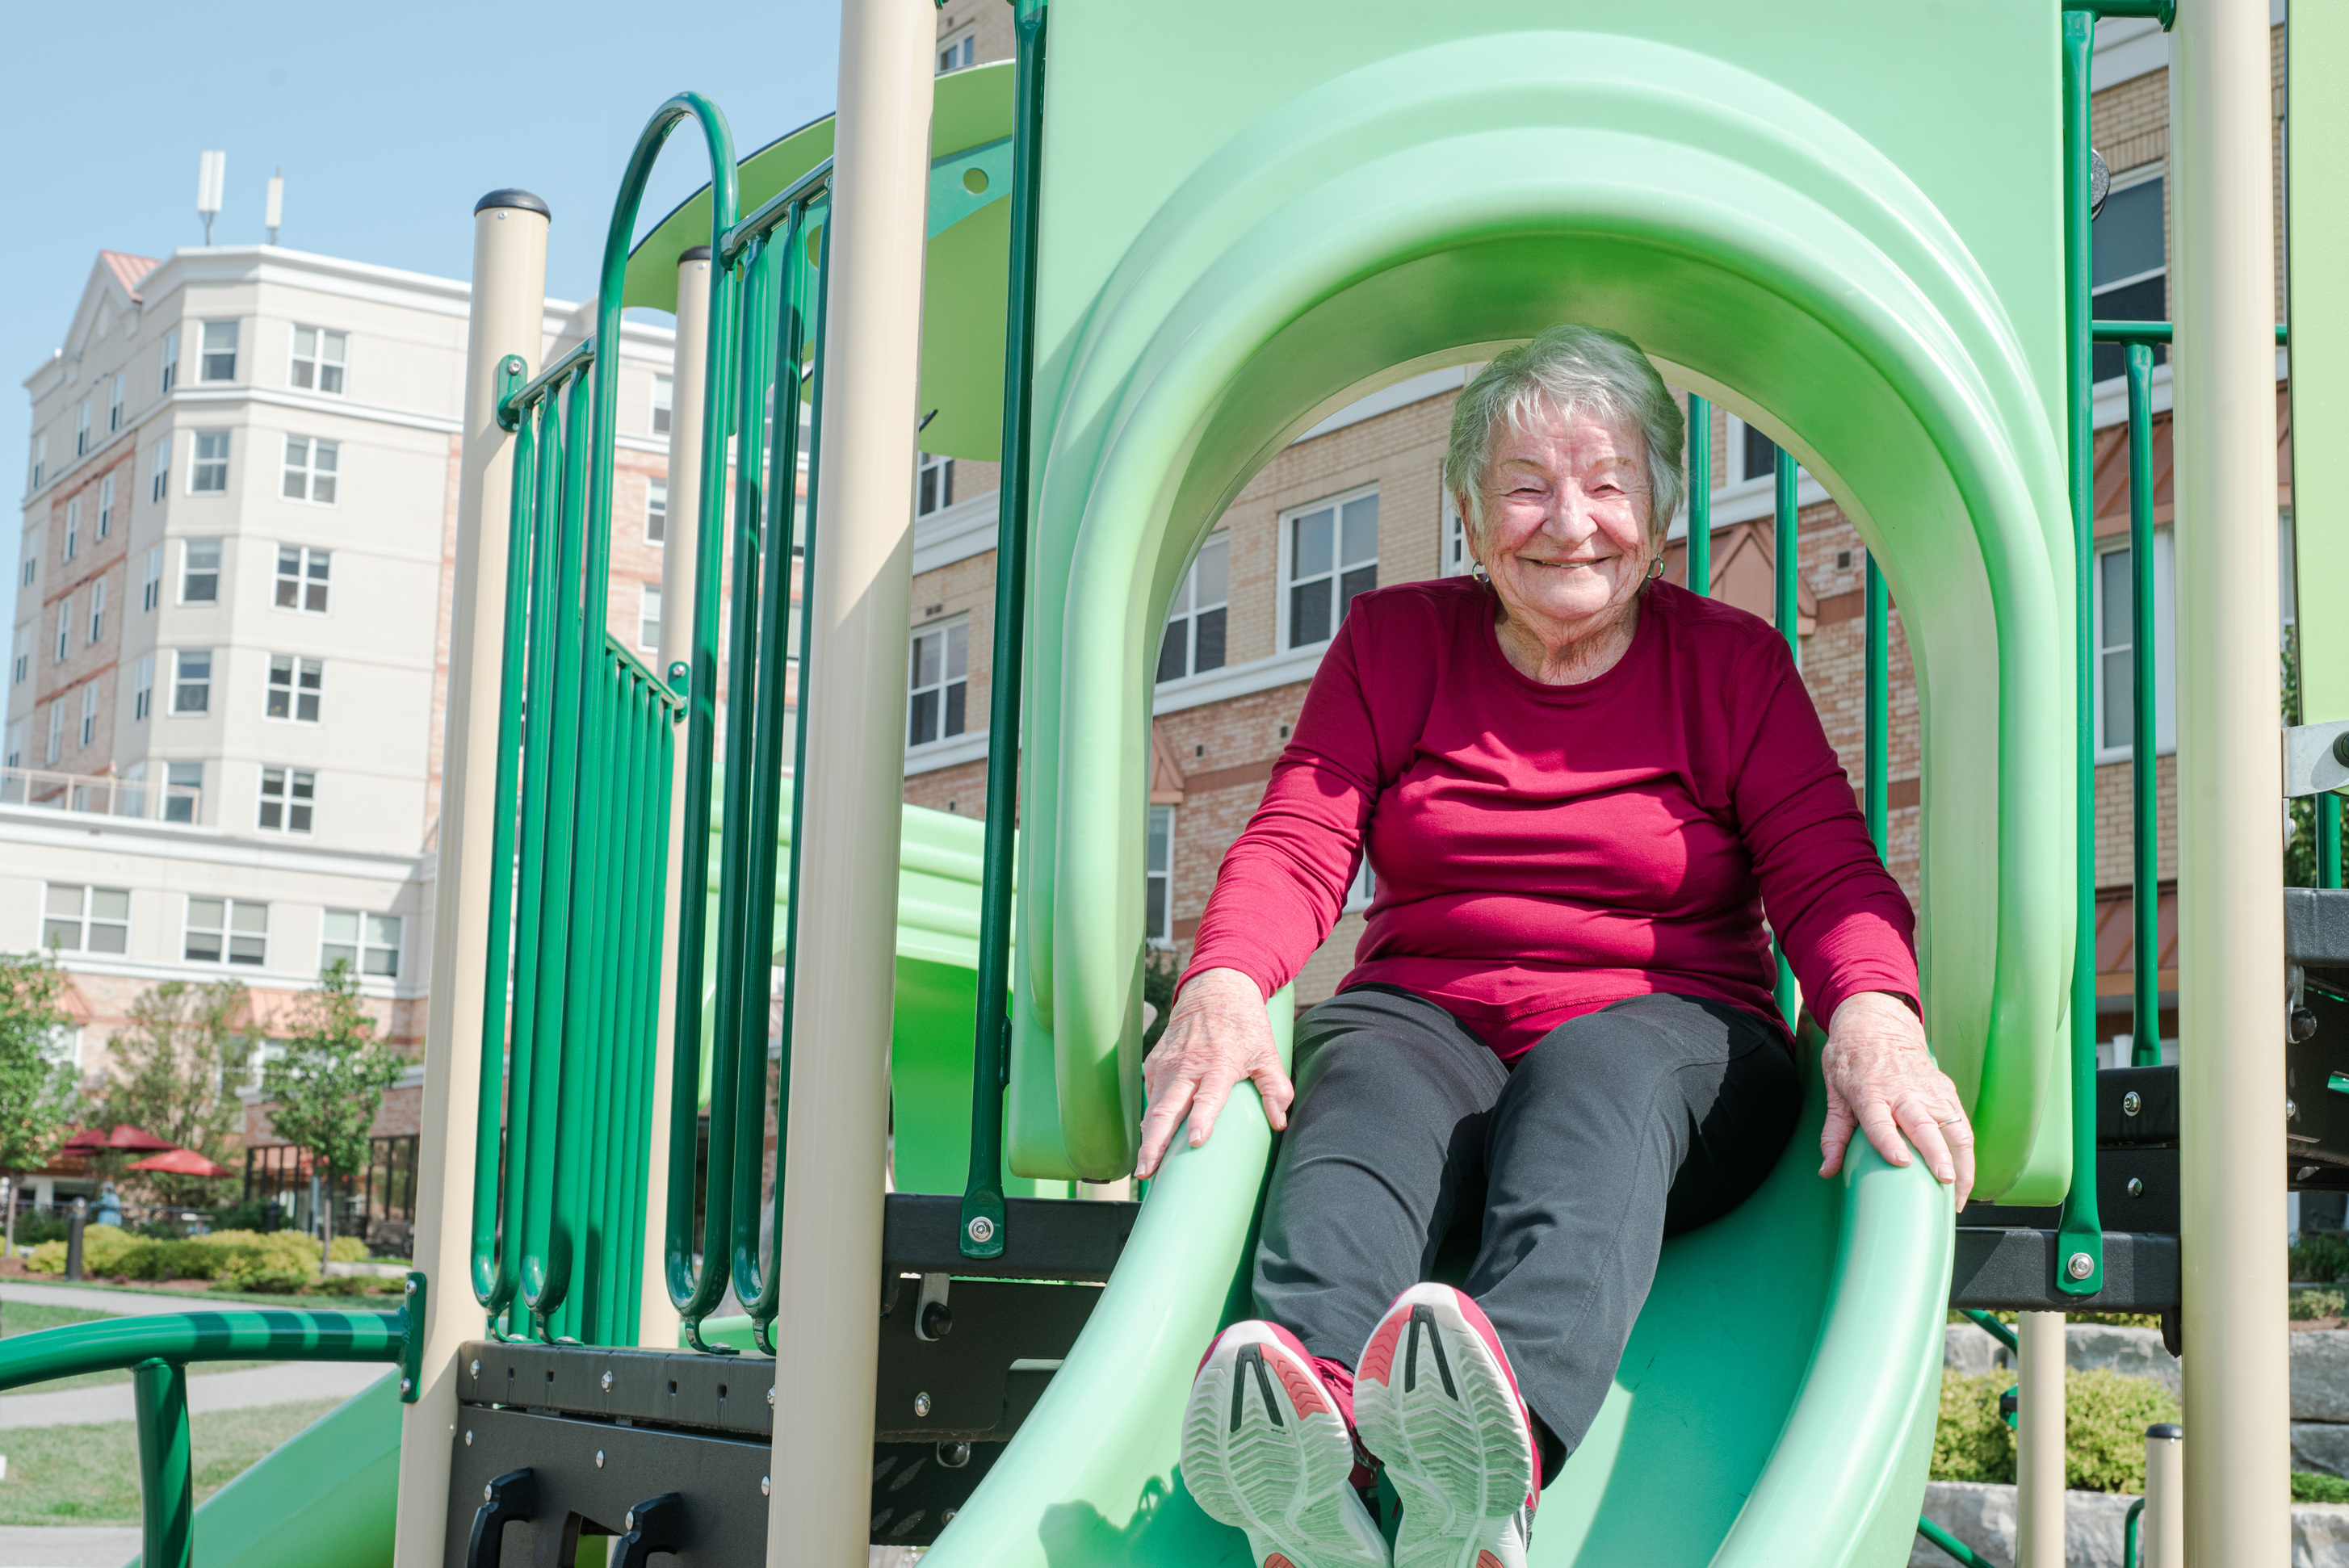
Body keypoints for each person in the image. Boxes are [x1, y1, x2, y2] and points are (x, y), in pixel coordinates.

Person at [1150, 326, 1974, 1568]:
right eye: (1526, 485)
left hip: (1673, 1035)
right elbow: (1299, 835)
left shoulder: (1731, 666)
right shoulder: (1392, 643)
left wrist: (1871, 1008)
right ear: (1473, 521)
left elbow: (1824, 864)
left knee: (1599, 1079)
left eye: (1607, 482)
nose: (1568, 520)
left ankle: (1492, 1458)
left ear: (1658, 510)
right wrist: (1221, 980)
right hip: (1430, 1016)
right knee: (1357, 1076)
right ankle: (1309, 1451)